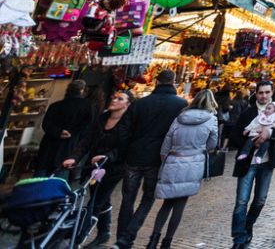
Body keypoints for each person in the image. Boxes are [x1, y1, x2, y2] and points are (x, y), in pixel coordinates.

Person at [114, 70, 187, 249]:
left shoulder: (140, 103)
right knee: (147, 199)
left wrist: (126, 149)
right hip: (157, 159)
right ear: (173, 82)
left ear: (157, 82)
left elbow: (123, 129)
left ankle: (122, 240)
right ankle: (126, 237)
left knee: (128, 199)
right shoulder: (180, 104)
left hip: (134, 156)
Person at [147, 89, 219, 249]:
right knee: (179, 205)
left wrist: (165, 158)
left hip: (174, 159)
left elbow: (167, 140)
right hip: (194, 163)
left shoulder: (180, 118)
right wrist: (200, 149)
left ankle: (153, 239)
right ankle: (167, 242)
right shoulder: (211, 120)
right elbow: (213, 143)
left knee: (167, 203)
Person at [62, 90, 132, 248]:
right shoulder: (102, 118)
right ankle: (104, 233)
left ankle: (78, 238)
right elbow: (86, 140)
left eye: (119, 99)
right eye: (113, 97)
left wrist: (107, 156)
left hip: (113, 169)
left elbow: (126, 147)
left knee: (96, 202)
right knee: (100, 198)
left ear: (127, 105)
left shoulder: (129, 123)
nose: (114, 100)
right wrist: (75, 157)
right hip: (94, 168)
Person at [230, 80, 275, 249]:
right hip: (248, 163)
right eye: (261, 92)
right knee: (241, 201)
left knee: (260, 199)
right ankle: (239, 238)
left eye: (267, 92)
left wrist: (270, 132)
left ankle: (248, 225)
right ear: (256, 93)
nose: (264, 96)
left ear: (272, 92)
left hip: (267, 162)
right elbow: (235, 137)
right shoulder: (248, 112)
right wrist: (251, 141)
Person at [34, 79, 94, 177]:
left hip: (48, 147)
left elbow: (46, 124)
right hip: (70, 147)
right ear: (82, 91)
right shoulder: (88, 107)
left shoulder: (55, 106)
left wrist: (59, 132)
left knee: (39, 178)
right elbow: (88, 128)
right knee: (59, 180)